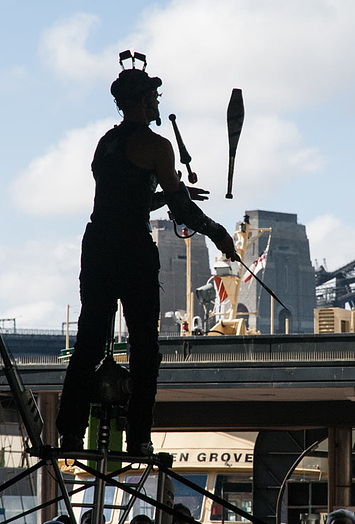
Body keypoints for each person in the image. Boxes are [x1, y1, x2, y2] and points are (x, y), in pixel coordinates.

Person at [56, 53, 237, 455]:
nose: (158, 103)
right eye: (154, 97)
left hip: (98, 246)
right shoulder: (157, 146)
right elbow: (183, 211)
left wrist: (160, 197)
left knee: (88, 341)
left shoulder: (106, 144)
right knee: (143, 347)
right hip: (132, 251)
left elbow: (122, 200)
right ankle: (138, 437)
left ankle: (68, 433)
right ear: (141, 102)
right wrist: (219, 232)